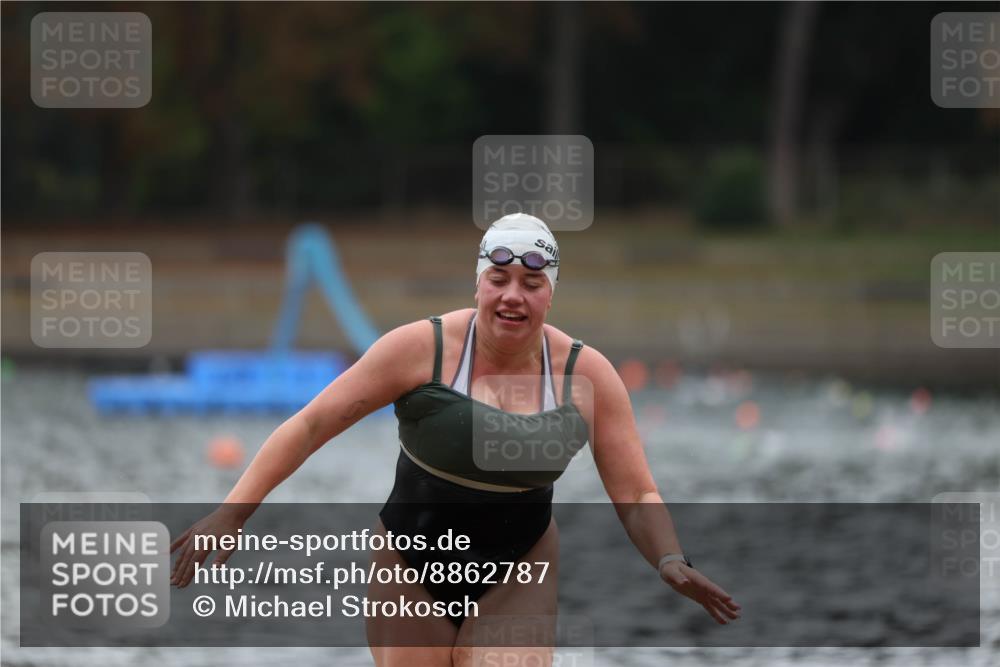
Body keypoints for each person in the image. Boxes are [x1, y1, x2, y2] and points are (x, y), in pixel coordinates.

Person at [170, 213, 742, 666]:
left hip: (521, 566)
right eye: (499, 280)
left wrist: (668, 557)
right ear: (478, 283)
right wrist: (230, 514)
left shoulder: (586, 377)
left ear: (550, 294)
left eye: (531, 283)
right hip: (411, 566)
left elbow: (636, 491)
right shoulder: (420, 349)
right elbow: (310, 425)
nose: (512, 296)